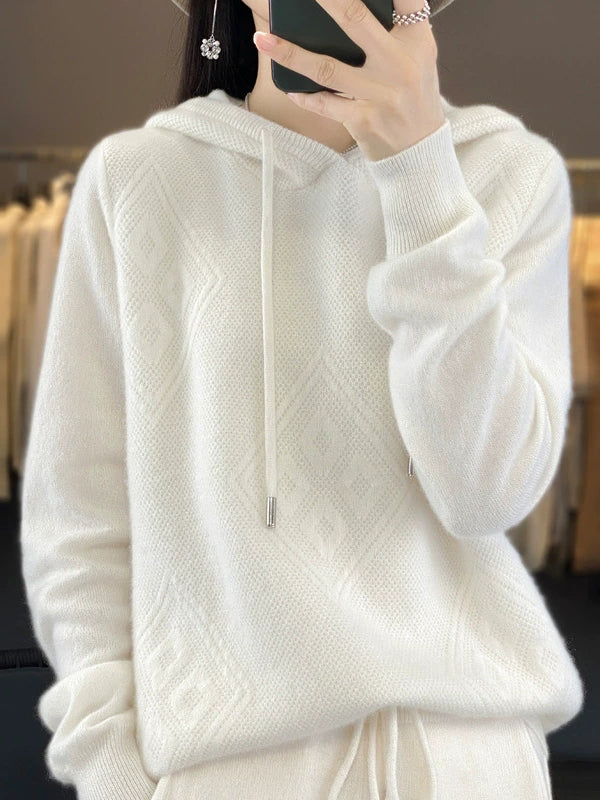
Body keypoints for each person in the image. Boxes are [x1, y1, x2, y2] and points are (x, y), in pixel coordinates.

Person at [20, 0, 584, 798]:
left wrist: (420, 172)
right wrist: (110, 769)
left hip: (465, 760)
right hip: (228, 768)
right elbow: (79, 519)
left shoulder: (507, 172)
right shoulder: (136, 179)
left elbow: (487, 493)